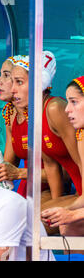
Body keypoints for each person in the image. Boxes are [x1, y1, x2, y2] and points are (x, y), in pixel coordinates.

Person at [0, 52, 81, 201]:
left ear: (38, 83)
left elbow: (79, 164)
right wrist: (56, 206)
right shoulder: (34, 116)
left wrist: (71, 210)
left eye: (19, 82)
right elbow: (51, 166)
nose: (13, 89)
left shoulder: (54, 109)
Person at [0, 55, 51, 202]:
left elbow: (64, 173)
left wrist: (19, 173)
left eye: (6, 75)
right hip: (29, 188)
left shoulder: (47, 111)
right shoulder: (10, 115)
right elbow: (7, 167)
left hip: (50, 189)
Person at [41, 76, 84, 241]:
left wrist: (72, 215)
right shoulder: (81, 136)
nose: (67, 110)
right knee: (56, 220)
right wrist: (62, 211)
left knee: (69, 224)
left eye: (74, 102)